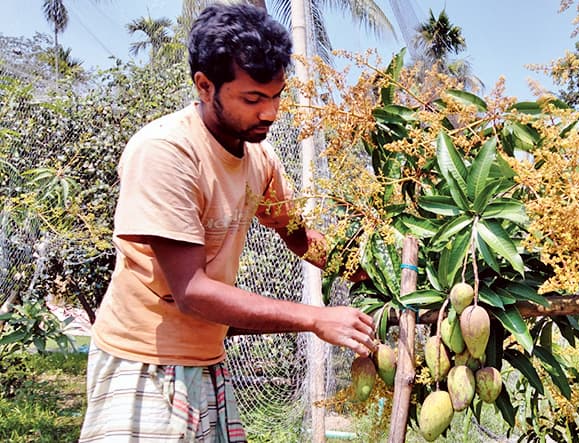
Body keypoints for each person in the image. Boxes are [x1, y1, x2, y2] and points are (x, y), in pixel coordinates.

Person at [79, 4, 376, 441]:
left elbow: (298, 238)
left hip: (207, 359)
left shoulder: (261, 160)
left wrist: (372, 269)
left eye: (276, 96)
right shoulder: (167, 153)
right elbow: (191, 291)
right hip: (143, 361)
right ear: (204, 85)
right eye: (253, 99)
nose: (270, 114)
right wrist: (316, 318)